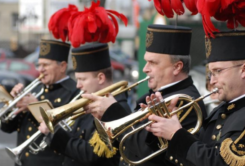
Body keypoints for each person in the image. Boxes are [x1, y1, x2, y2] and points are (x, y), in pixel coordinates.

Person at [84, 24, 207, 166]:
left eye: (153, 63)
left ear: (177, 67)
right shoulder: (155, 95)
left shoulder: (185, 101)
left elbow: (147, 154)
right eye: (146, 61)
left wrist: (113, 112)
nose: (145, 69)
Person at [146, 30, 245, 166]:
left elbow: (220, 163)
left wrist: (176, 134)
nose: (212, 81)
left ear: (244, 70)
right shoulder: (221, 110)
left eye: (218, 71)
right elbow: (194, 154)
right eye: (210, 74)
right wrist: (162, 127)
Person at [38, 43, 131, 166]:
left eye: (82, 79)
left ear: (101, 78)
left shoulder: (116, 109)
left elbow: (92, 154)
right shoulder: (90, 102)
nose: (78, 85)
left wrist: (55, 134)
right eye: (77, 79)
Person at [1, 39, 79, 166]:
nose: (40, 69)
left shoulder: (74, 92)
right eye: (39, 65)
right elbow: (7, 128)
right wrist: (11, 105)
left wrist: (35, 106)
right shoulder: (36, 88)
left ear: (62, 66)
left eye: (46, 65)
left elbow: (68, 132)